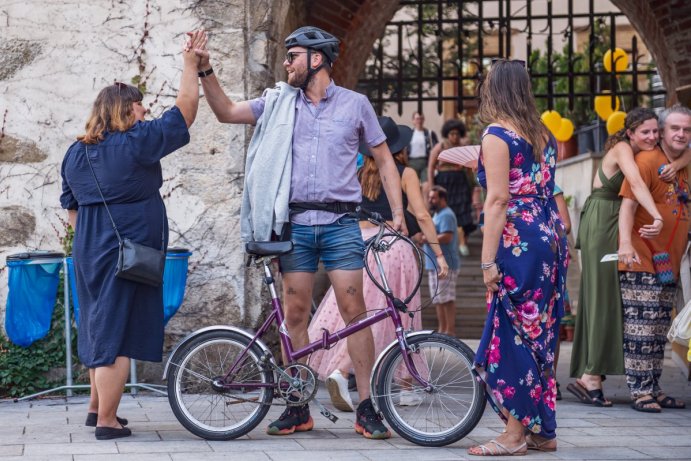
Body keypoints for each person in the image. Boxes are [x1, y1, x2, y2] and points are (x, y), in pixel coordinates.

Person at [189, 26, 405, 439]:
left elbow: (383, 156)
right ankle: (298, 405)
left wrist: (398, 213)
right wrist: (206, 71)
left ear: (318, 59)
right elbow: (227, 112)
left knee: (354, 312)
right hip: (295, 225)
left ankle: (367, 407)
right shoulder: (278, 103)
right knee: (295, 314)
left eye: (293, 56)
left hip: (342, 223)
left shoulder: (356, 105)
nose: (286, 63)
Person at [59, 32, 203, 440]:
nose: (145, 111)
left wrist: (93, 238)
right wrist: (190, 66)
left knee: (99, 323)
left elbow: (71, 207)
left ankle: (95, 408)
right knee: (115, 333)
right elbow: (185, 112)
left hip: (89, 248)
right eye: (140, 105)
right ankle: (107, 422)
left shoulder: (76, 152)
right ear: (125, 109)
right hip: (127, 252)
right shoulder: (136, 142)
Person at [307, 116, 449, 412]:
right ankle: (407, 385)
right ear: (399, 147)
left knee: (352, 314)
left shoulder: (357, 172)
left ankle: (341, 371)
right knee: (400, 313)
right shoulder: (405, 172)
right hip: (391, 247)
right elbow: (422, 215)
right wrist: (438, 255)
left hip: (355, 246)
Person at [469, 59, 568, 456]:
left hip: (517, 241)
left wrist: (486, 261)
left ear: (496, 89)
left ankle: (513, 435)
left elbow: (497, 200)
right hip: (548, 235)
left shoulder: (496, 135)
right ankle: (542, 431)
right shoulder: (543, 133)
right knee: (539, 332)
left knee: (515, 334)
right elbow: (537, 186)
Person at [567, 107, 691, 407]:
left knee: (614, 303)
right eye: (644, 132)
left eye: (653, 131)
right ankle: (590, 376)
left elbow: (685, 150)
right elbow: (635, 186)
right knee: (601, 299)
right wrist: (656, 217)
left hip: (619, 221)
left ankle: (595, 375)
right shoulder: (625, 149)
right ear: (630, 132)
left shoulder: (661, 152)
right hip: (604, 221)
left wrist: (681, 162)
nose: (650, 136)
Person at [618, 104, 691, 413]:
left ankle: (655, 387)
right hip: (641, 257)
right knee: (641, 327)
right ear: (662, 131)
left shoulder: (684, 166)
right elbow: (628, 206)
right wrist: (624, 243)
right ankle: (640, 391)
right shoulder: (646, 160)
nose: (681, 134)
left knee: (660, 328)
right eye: (675, 128)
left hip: (670, 261)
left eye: (687, 129)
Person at [427, 119, 475, 256]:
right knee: (444, 211)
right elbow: (430, 167)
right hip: (443, 181)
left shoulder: (463, 146)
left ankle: (463, 243)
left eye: (457, 134)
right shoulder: (440, 146)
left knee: (463, 212)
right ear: (447, 134)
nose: (454, 136)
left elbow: (470, 167)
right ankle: (445, 241)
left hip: (460, 181)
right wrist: (432, 187)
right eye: (452, 133)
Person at [422, 186, 460, 337]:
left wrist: (427, 238)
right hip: (434, 264)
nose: (430, 200)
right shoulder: (437, 214)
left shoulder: (446, 215)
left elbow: (447, 236)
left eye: (434, 198)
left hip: (446, 264)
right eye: (430, 197)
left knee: (446, 299)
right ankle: (442, 330)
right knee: (438, 299)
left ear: (443, 199)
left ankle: (449, 331)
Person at [407, 111, 438, 181]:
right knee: (413, 183)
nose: (419, 121)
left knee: (426, 184)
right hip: (412, 162)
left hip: (426, 162)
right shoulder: (409, 134)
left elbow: (436, 148)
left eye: (421, 119)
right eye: (417, 119)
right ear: (413, 120)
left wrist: (435, 163)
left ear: (424, 120)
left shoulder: (430, 133)